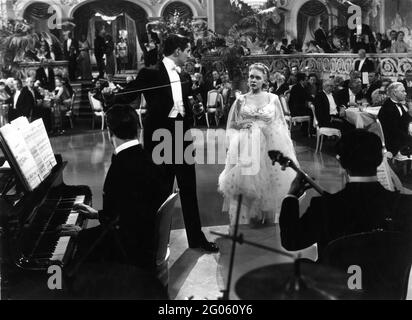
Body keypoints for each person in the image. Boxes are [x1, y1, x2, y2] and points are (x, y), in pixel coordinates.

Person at [64, 104, 169, 299]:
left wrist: (81, 235)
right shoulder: (149, 159)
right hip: (145, 241)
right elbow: (131, 210)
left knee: (70, 263)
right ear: (138, 129)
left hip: (130, 251)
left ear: (109, 131)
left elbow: (118, 228)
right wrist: (98, 214)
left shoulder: (120, 168)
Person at [125, 34, 218, 252]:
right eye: (187, 50)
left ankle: (196, 239)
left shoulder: (184, 75)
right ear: (177, 51)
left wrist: (193, 110)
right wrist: (110, 97)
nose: (189, 55)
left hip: (182, 137)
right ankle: (156, 243)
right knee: (159, 193)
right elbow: (129, 94)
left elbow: (182, 104)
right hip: (159, 141)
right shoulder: (150, 73)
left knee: (189, 190)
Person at [279, 129, 412, 259]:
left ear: (341, 162)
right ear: (380, 160)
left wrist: (291, 197)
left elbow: (291, 240)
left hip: (337, 280)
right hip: (387, 280)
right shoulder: (405, 205)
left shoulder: (324, 207)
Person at [219, 63, 297, 228]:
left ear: (265, 81)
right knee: (246, 186)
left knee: (269, 183)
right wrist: (240, 132)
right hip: (246, 146)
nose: (253, 80)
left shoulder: (273, 98)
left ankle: (268, 225)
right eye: (251, 76)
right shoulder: (241, 99)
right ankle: (247, 224)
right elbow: (231, 125)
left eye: (257, 77)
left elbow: (282, 124)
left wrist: (285, 146)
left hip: (270, 146)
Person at [378, 82, 412, 156]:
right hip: (394, 143)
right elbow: (393, 131)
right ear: (394, 93)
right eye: (403, 91)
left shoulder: (399, 105)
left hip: (401, 136)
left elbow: (406, 121)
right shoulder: (388, 108)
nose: (405, 93)